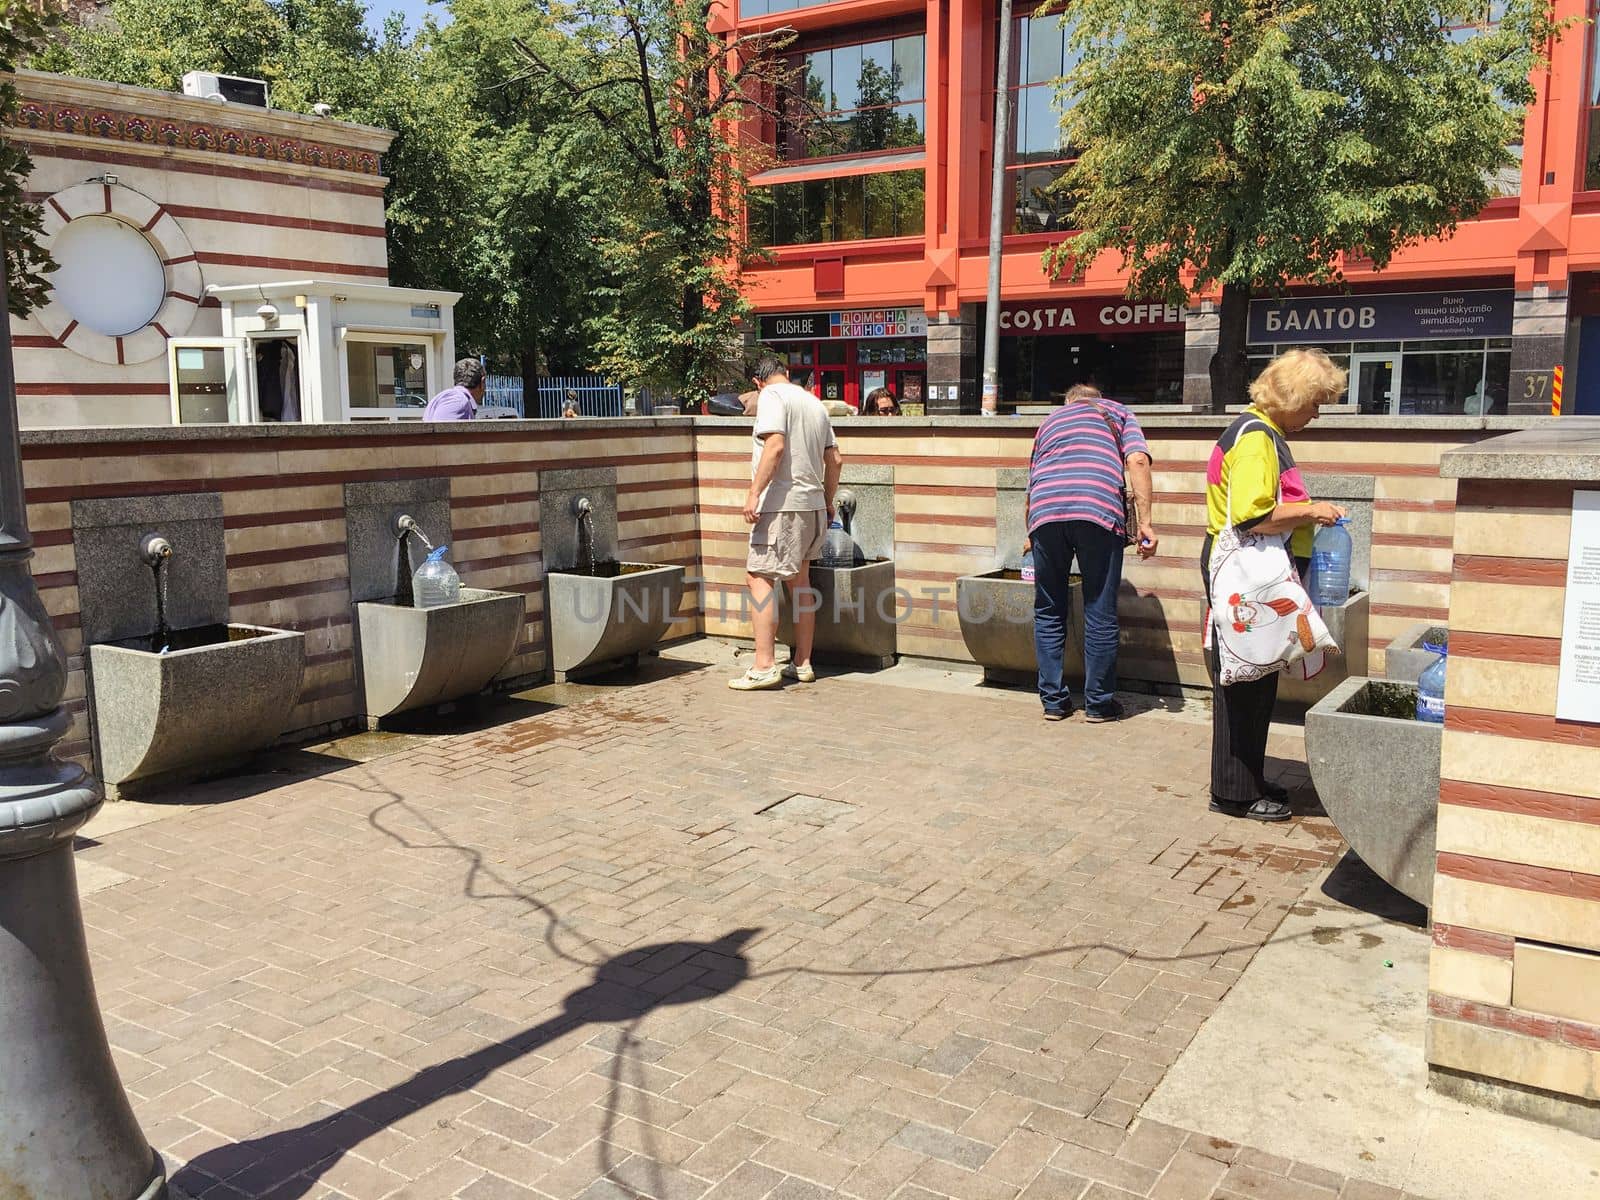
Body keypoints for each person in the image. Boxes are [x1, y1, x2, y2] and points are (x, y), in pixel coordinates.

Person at [1204, 349, 1349, 822]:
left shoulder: (1258, 433)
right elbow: (1252, 514)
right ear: (1291, 396)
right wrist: (1314, 510)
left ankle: (1246, 779)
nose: (1317, 414)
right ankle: (1234, 793)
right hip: (1246, 571)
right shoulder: (1256, 438)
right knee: (1243, 682)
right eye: (1314, 403)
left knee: (1256, 677)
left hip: (1247, 574)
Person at [1025, 383, 1158, 722]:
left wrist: (1031, 531)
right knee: (1099, 609)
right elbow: (1138, 460)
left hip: (1045, 513)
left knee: (1048, 609)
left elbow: (1033, 480)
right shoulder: (1118, 412)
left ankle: (1053, 702)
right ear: (1098, 400)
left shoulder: (1049, 422)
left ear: (1069, 402)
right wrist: (1146, 523)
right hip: (1096, 509)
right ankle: (1098, 704)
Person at [730, 355, 843, 691]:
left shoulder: (771, 397)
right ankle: (803, 663)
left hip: (781, 506)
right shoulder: (814, 403)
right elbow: (835, 459)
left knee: (758, 578)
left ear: (757, 382)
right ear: (786, 373)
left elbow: (775, 446)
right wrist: (826, 500)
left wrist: (753, 493)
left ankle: (764, 665)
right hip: (812, 508)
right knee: (800, 580)